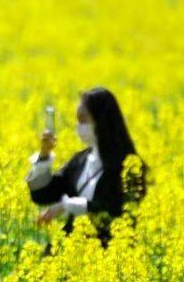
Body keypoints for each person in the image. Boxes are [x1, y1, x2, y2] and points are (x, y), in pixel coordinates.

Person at [25, 87, 148, 248]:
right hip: (72, 252)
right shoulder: (80, 160)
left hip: (111, 253)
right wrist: (44, 155)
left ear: (102, 121)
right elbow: (43, 195)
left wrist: (68, 205)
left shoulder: (128, 166)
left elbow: (118, 208)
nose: (78, 126)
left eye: (83, 120)